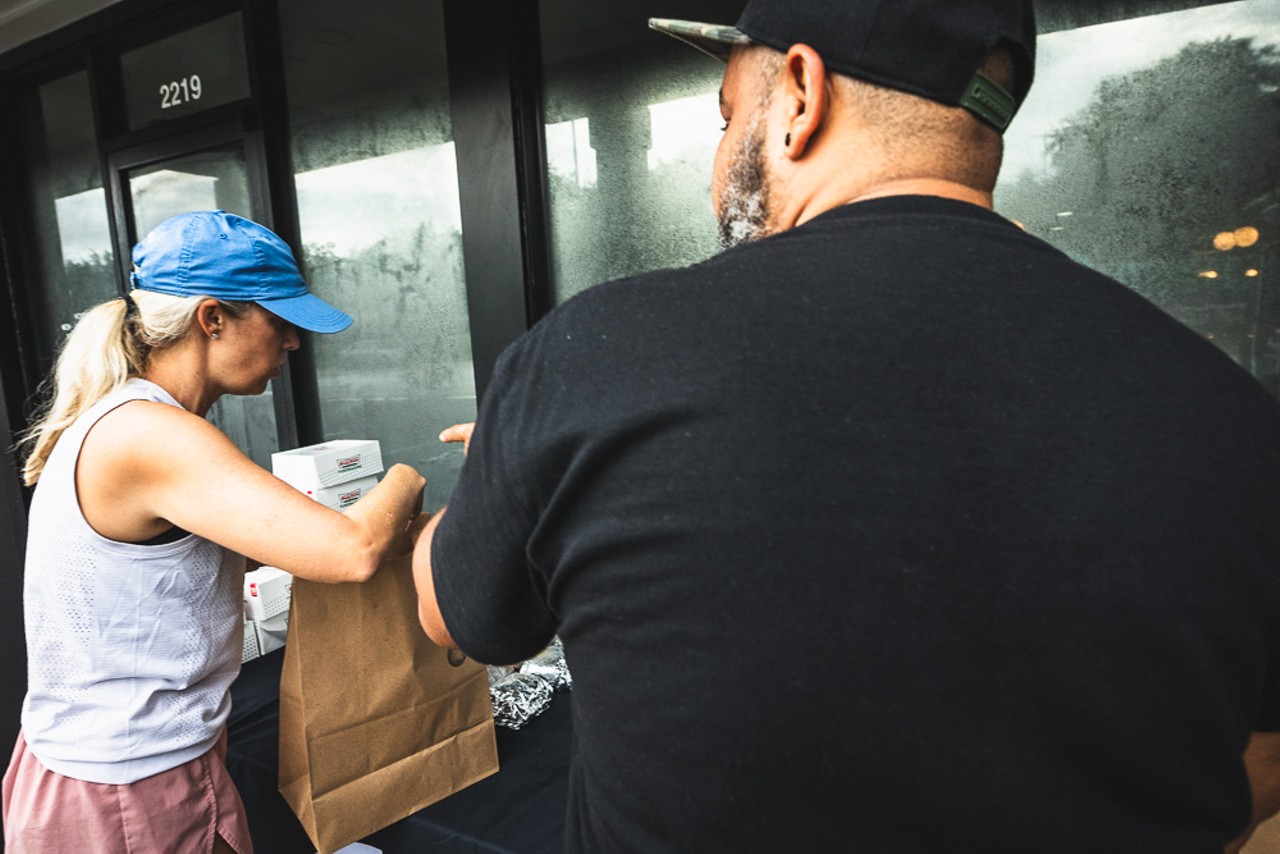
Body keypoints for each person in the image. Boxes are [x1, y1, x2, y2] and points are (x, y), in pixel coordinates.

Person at [412, 1, 1280, 849]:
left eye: (725, 118)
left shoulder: (592, 355)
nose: (718, 162)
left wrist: (501, 467)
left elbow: (457, 619)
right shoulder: (1232, 412)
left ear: (799, 94)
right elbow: (1262, 756)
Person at [2, 210, 425, 854]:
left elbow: (200, 565)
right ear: (213, 318)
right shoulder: (151, 434)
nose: (293, 342)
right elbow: (353, 550)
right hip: (126, 789)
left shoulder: (135, 420)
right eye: (280, 320)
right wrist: (408, 474)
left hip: (119, 772)